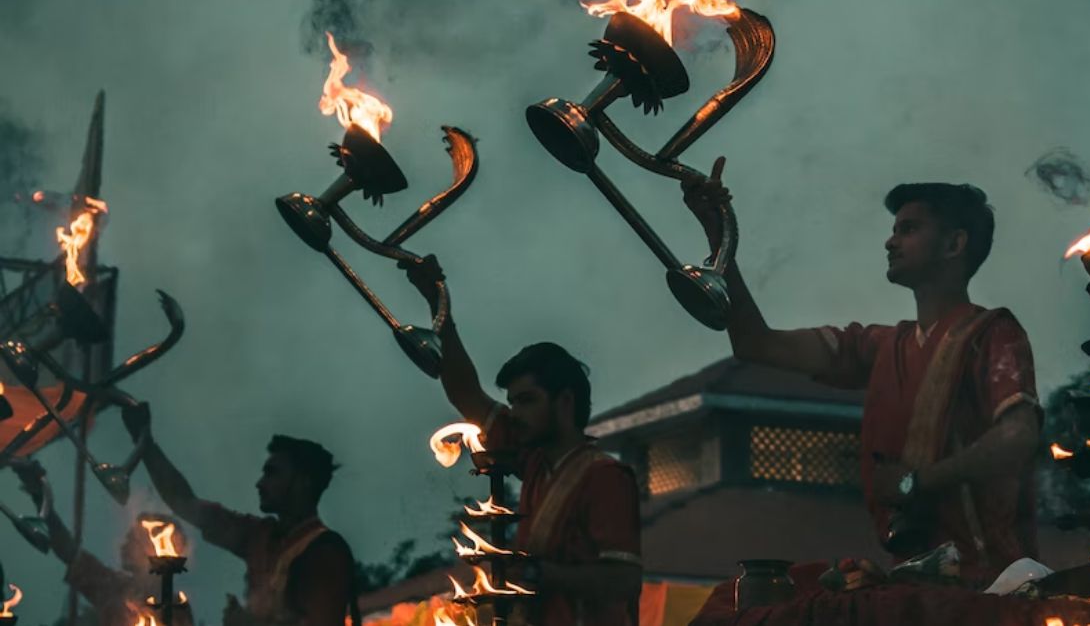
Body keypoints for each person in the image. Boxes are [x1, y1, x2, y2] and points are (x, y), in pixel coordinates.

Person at [682, 160, 1041, 586]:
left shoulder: (993, 332)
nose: (890, 242)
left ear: (953, 244)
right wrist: (719, 235)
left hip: (988, 582)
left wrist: (918, 481)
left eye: (908, 229)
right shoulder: (879, 347)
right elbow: (756, 344)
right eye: (894, 230)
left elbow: (1019, 436)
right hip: (910, 578)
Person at [407, 257, 642, 626]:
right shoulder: (534, 461)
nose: (514, 412)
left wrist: (538, 574)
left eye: (527, 400)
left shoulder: (605, 477)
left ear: (564, 401)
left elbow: (624, 580)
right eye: (513, 401)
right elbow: (466, 394)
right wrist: (439, 307)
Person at [120, 406, 358, 626]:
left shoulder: (327, 552)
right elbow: (184, 502)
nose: (260, 483)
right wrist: (145, 444)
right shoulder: (260, 536)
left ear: (304, 482)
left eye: (272, 473)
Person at [12, 459, 195, 626]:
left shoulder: (173, 610)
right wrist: (40, 494)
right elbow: (69, 552)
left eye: (134, 538)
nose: (125, 542)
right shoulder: (115, 587)